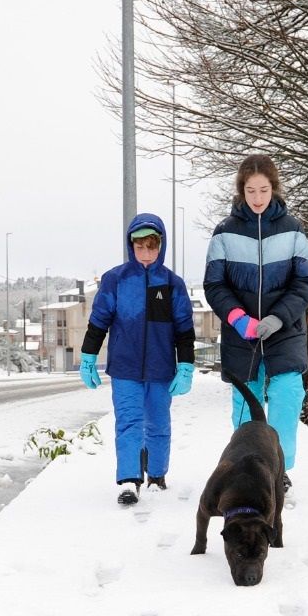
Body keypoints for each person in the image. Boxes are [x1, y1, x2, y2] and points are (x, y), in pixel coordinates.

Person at [203, 155, 308, 483]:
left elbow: (304, 282)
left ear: (273, 188)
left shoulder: (294, 230)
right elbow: (214, 284)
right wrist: (239, 319)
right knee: (245, 399)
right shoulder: (224, 232)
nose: (257, 198)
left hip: (286, 331)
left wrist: (279, 318)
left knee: (287, 394)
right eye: (250, 191)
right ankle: (246, 466)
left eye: (263, 190)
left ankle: (279, 470)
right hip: (242, 334)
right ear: (241, 191)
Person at [78, 213, 196, 506]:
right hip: (125, 367)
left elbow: (184, 330)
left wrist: (186, 366)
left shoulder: (172, 284)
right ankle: (129, 479)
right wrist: (89, 356)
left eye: (151, 247)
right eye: (139, 247)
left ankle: (156, 474)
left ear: (161, 246)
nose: (145, 254)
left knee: (157, 423)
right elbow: (98, 321)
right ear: (131, 246)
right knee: (129, 422)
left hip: (161, 368)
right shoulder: (115, 279)